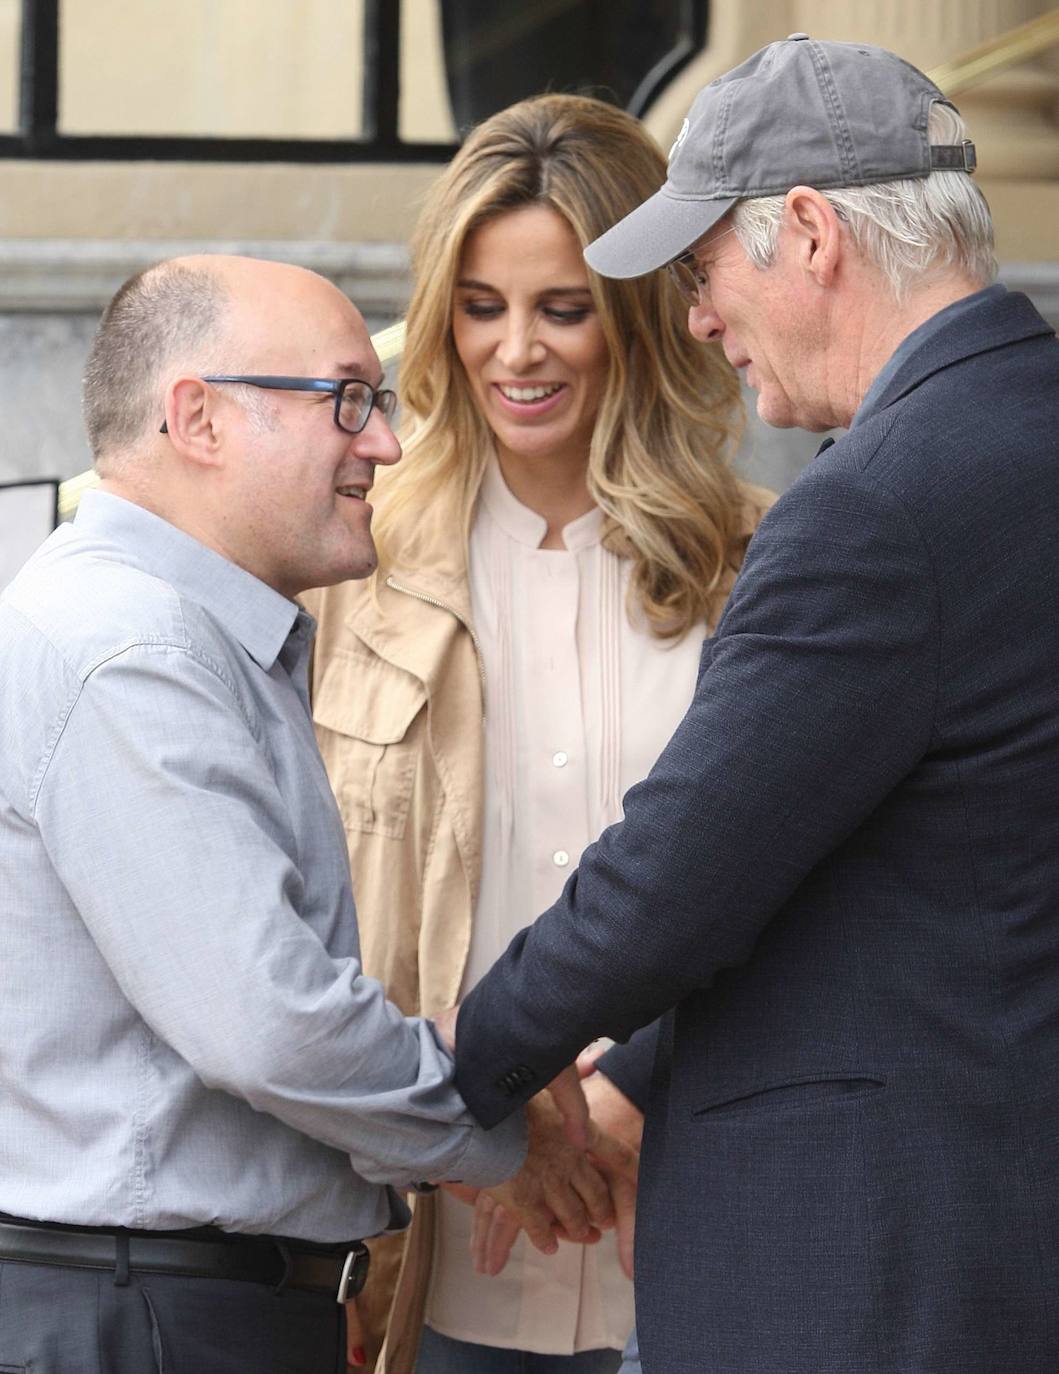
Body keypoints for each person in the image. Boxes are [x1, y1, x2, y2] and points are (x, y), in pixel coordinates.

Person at [443, 34, 1059, 1374]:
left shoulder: (873, 508)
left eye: (703, 270)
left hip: (875, 1268)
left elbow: (677, 875)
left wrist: (466, 1067)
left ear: (806, 232)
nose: (699, 318)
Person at [0, 250, 617, 1374]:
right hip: (146, 1318)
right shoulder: (132, 651)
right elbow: (272, 1022)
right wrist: (491, 1125)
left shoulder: (173, 635)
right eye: (346, 400)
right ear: (196, 417)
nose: (382, 441)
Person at [306, 93, 767, 1374]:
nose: (518, 351)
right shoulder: (353, 566)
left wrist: (628, 1094)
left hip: (699, 1225)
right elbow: (295, 910)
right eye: (482, 306)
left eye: (564, 308)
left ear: (644, 310)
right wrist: (472, 1139)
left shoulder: (769, 561)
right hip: (429, 1249)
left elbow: (812, 891)